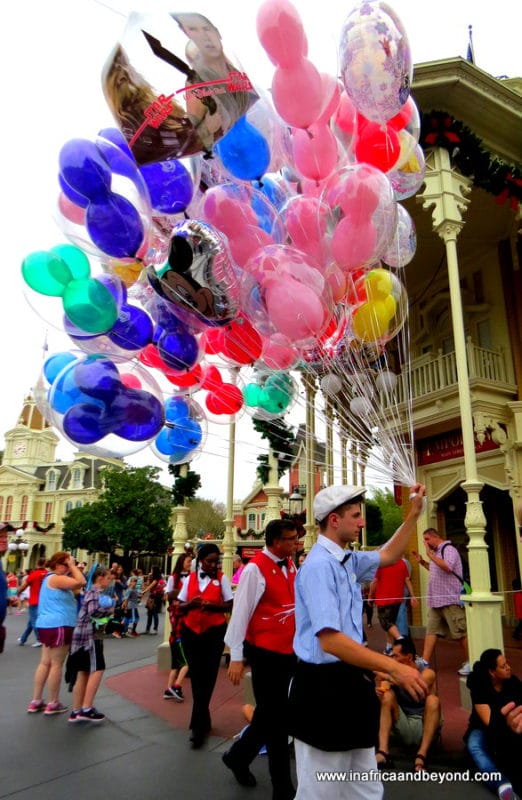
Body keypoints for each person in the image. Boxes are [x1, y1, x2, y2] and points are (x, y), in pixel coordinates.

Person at [288, 484, 428, 800]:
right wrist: (395, 668)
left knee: (364, 787)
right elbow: (332, 642)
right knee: (320, 791)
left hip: (349, 683)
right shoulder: (319, 566)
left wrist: (414, 513)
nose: (361, 523)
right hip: (321, 690)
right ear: (334, 520)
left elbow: (390, 554)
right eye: (355, 516)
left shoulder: (347, 559)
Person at [223, 518, 299, 800]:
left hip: (289, 651)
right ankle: (282, 789)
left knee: (271, 716)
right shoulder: (254, 570)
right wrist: (236, 656)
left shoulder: (291, 564)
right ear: (277, 542)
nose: (296, 543)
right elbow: (241, 613)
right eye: (291, 539)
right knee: (277, 722)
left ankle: (238, 756)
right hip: (265, 653)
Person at [177, 543, 233, 748]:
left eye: (216, 561)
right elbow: (179, 606)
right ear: (200, 561)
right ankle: (202, 721)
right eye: (210, 561)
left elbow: (230, 604)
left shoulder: (222, 579)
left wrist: (214, 606)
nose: (213, 565)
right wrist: (190, 605)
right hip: (191, 632)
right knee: (197, 676)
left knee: (208, 677)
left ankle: (197, 726)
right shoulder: (190, 579)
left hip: (213, 633)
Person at [27, 552, 86, 715]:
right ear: (60, 564)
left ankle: (36, 700)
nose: (68, 568)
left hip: (47, 624)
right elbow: (81, 582)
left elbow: (75, 590)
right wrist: (74, 567)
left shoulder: (50, 579)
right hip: (60, 624)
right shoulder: (56, 578)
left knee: (45, 662)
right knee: (56, 664)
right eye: (66, 564)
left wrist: (72, 569)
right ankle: (53, 702)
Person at [375, 636, 441, 772]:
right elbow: (386, 695)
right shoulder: (393, 674)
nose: (392, 659)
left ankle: (421, 755)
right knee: (387, 696)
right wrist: (380, 692)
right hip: (402, 721)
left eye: (396, 656)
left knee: (433, 700)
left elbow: (413, 685)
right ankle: (383, 752)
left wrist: (387, 676)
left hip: (424, 724)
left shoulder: (427, 673)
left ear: (409, 657)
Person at [465, 649, 522, 799]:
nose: (508, 667)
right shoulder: (479, 685)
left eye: (507, 663)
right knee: (474, 745)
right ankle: (501, 784)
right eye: (503, 666)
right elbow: (489, 722)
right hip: (483, 727)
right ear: (492, 672)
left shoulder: (513, 682)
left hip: (509, 725)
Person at [412, 527, 470, 675]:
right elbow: (436, 569)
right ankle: (424, 661)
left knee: (460, 632)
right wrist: (423, 562)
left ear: (435, 537)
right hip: (436, 600)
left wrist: (430, 555)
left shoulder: (448, 549)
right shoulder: (437, 553)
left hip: (450, 599)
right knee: (431, 631)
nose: (425, 543)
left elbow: (448, 567)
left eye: (426, 539)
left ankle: (472, 661)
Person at [66, 565, 115, 723]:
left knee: (84, 671)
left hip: (81, 636)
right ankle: (87, 707)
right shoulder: (95, 592)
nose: (110, 581)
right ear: (100, 578)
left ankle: (77, 709)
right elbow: (94, 612)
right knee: (98, 669)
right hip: (89, 637)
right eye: (108, 578)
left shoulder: (89, 592)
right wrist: (110, 610)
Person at [368, 559, 417, 654]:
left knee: (386, 623)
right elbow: (407, 580)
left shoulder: (382, 563)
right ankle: (389, 647)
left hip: (384, 599)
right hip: (398, 599)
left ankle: (401, 640)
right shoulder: (402, 563)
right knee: (391, 625)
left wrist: (370, 596)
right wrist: (412, 595)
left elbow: (374, 581)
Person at [163, 553, 192, 701]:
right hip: (180, 630)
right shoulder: (173, 578)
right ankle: (176, 687)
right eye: (188, 561)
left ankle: (168, 689)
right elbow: (169, 594)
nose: (190, 563)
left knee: (175, 665)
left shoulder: (192, 576)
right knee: (187, 663)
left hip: (176, 632)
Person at [17, 558, 48, 647]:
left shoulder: (34, 574)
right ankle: (23, 639)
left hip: (34, 600)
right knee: (31, 622)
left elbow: (23, 586)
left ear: (37, 564)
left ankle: (40, 639)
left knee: (34, 621)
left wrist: (18, 593)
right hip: (45, 601)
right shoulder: (47, 574)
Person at [142, 565, 166, 635]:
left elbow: (150, 586)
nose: (151, 571)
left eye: (152, 570)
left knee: (154, 613)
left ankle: (154, 629)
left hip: (155, 597)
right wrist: (149, 578)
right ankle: (148, 629)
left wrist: (144, 591)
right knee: (150, 613)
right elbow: (148, 584)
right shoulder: (154, 578)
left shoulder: (157, 579)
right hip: (153, 596)